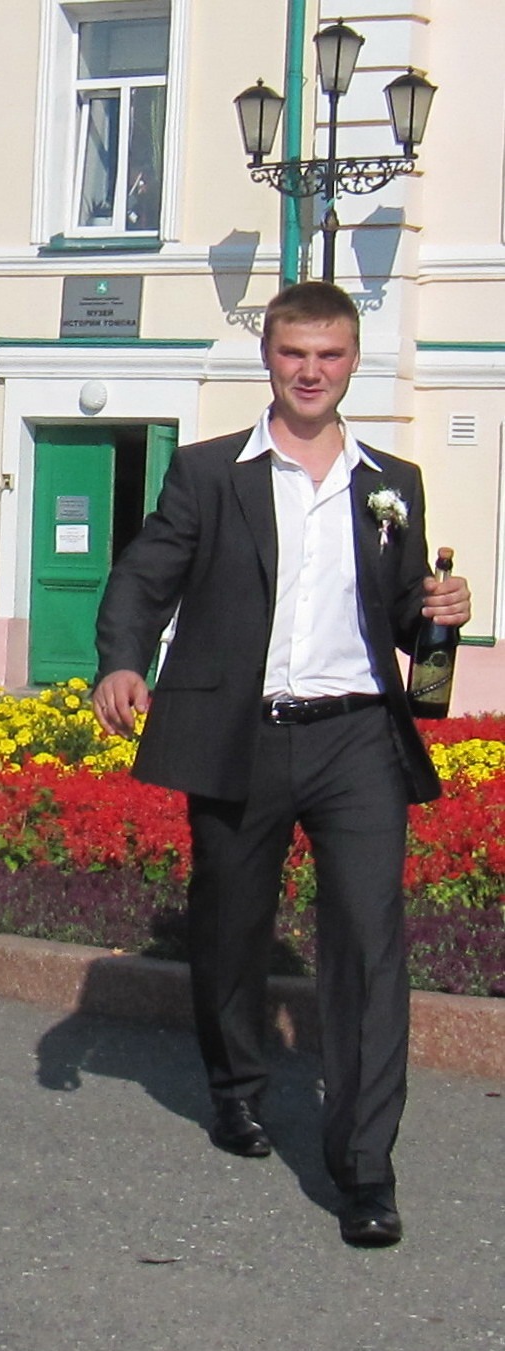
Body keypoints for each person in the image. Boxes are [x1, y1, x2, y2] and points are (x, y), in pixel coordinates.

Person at [91, 281, 470, 1249]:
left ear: (352, 362)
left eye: (329, 355)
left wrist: (437, 611)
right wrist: (123, 660)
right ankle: (236, 1085)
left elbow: (397, 613)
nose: (311, 372)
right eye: (294, 353)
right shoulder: (209, 472)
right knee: (231, 922)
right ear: (268, 356)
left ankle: (364, 1164)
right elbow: (145, 575)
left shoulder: (391, 482)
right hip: (240, 733)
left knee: (368, 940)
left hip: (356, 736)